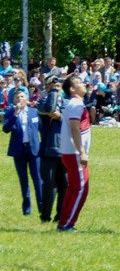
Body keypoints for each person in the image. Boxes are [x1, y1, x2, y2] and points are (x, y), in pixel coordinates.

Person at [57, 75, 92, 231]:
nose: (83, 84)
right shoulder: (76, 103)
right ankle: (67, 224)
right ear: (72, 89)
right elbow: (74, 128)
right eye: (79, 83)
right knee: (81, 188)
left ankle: (64, 221)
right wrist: (82, 152)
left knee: (73, 188)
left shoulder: (76, 103)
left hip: (71, 152)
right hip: (74, 153)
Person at [3, 90, 42, 216]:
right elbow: (6, 129)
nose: (20, 99)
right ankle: (27, 208)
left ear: (26, 99)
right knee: (23, 180)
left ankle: (42, 208)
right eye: (17, 97)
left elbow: (42, 128)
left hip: (34, 150)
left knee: (38, 179)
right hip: (18, 150)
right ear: (14, 100)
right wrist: (15, 113)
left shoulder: (34, 112)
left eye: (22, 97)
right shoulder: (10, 113)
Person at [37, 75, 67, 223]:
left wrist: (60, 116)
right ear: (47, 86)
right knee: (49, 184)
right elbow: (49, 108)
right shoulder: (42, 101)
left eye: (59, 83)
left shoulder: (68, 102)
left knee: (65, 185)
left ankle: (60, 216)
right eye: (53, 83)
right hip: (49, 149)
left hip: (66, 149)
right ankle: (45, 216)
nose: (57, 85)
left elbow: (69, 118)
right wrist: (53, 93)